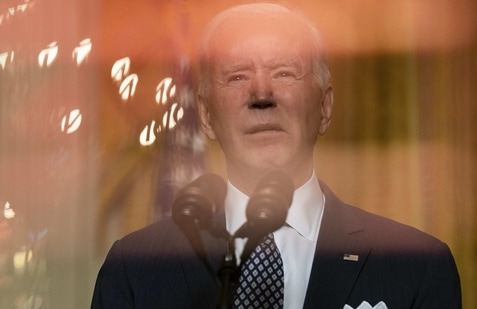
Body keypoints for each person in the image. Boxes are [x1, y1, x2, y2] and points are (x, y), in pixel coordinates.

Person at [91, 3, 462, 308]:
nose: (262, 94)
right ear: (205, 116)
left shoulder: (416, 267)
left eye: (285, 72)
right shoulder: (135, 270)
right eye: (237, 76)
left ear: (326, 107)